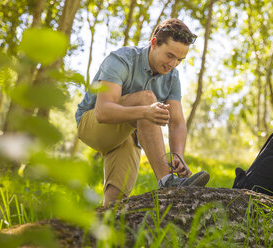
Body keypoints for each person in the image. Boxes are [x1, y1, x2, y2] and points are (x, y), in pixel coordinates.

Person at [75, 18, 210, 206]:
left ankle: (101, 231)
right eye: (170, 55)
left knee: (115, 204)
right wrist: (146, 111)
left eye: (180, 59)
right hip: (93, 125)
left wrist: (178, 155)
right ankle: (167, 183)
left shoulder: (172, 77)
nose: (173, 64)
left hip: (127, 136)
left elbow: (177, 121)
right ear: (154, 43)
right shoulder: (122, 59)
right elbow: (103, 111)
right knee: (147, 99)